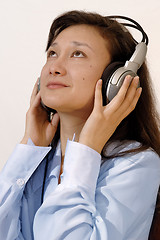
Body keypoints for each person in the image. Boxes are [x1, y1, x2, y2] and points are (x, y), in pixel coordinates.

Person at [0, 10, 160, 240]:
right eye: (52, 53)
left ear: (116, 79)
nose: (54, 67)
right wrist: (27, 148)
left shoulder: (134, 163)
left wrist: (87, 150)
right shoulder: (39, 161)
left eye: (77, 54)